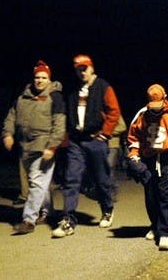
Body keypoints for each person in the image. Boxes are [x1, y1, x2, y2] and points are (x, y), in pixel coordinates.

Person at [52, 54, 121, 238]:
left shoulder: (103, 86)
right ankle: (68, 220)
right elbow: (67, 113)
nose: (82, 72)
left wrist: (105, 133)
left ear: (91, 68)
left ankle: (107, 209)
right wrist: (66, 137)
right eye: (78, 69)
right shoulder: (73, 90)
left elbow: (114, 111)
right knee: (71, 179)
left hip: (95, 141)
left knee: (101, 179)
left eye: (85, 68)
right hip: (76, 141)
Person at [2, 60, 65, 234]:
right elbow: (11, 116)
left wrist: (52, 146)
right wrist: (8, 133)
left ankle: (28, 220)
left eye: (43, 77)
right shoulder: (23, 96)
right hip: (25, 146)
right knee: (38, 182)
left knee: (37, 182)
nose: (39, 80)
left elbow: (59, 124)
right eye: (37, 77)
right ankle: (48, 211)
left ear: (49, 79)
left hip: (43, 146)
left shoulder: (55, 97)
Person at [127, 84, 168, 251]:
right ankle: (155, 226)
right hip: (148, 160)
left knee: (166, 195)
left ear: (164, 98)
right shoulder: (142, 114)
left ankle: (165, 233)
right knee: (151, 196)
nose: (155, 109)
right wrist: (134, 157)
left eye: (158, 105)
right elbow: (133, 137)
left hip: (167, 159)